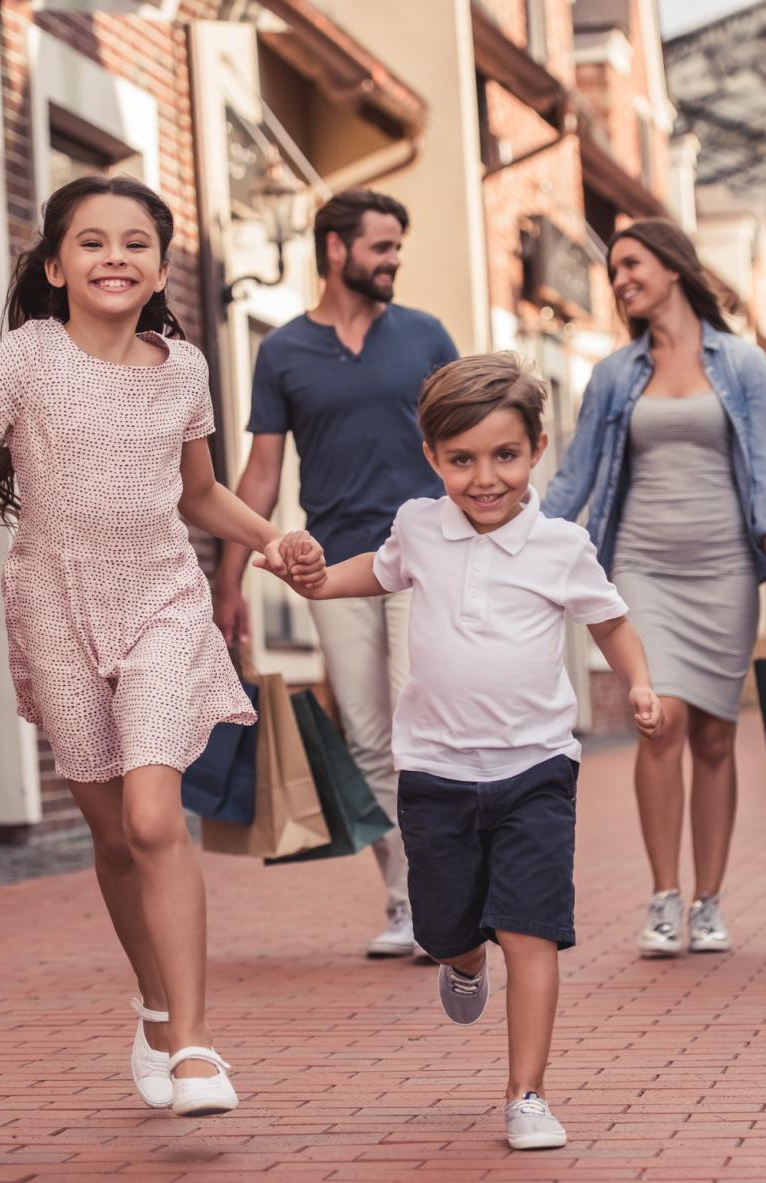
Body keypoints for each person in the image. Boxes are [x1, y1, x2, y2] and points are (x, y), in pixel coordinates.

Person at [0, 175, 322, 1117]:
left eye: (136, 242)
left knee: (157, 814)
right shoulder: (29, 356)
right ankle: (158, 1008)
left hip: (163, 602)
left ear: (162, 266)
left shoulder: (188, 369)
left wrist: (271, 541)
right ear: (56, 265)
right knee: (115, 834)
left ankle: (199, 1047)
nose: (115, 257)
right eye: (91, 242)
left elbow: (200, 495)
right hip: (55, 609)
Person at [261, 354, 664, 1150]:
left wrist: (641, 684)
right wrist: (313, 582)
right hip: (436, 771)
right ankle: (462, 960)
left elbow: (610, 621)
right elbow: (373, 574)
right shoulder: (417, 525)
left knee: (532, 929)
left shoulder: (559, 546)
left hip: (537, 767)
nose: (485, 478)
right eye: (463, 459)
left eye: (504, 455)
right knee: (445, 927)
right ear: (433, 458)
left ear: (536, 449)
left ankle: (527, 1094)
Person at [540, 217, 766, 959]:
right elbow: (575, 477)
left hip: (725, 569)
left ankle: (709, 900)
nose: (621, 278)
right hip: (643, 568)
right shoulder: (614, 373)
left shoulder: (744, 364)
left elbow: (764, 470)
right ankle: (664, 897)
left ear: (673, 267)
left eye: (632, 264)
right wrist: (518, 540)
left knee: (717, 736)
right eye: (615, 269)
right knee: (661, 721)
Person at [213, 189, 460, 959]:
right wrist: (231, 580)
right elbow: (259, 474)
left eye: (396, 248)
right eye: (381, 247)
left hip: (423, 557)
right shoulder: (282, 350)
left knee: (419, 725)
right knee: (366, 733)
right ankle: (406, 898)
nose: (393, 261)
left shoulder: (425, 338)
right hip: (334, 567)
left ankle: (442, 892)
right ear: (335, 249)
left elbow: (468, 437)